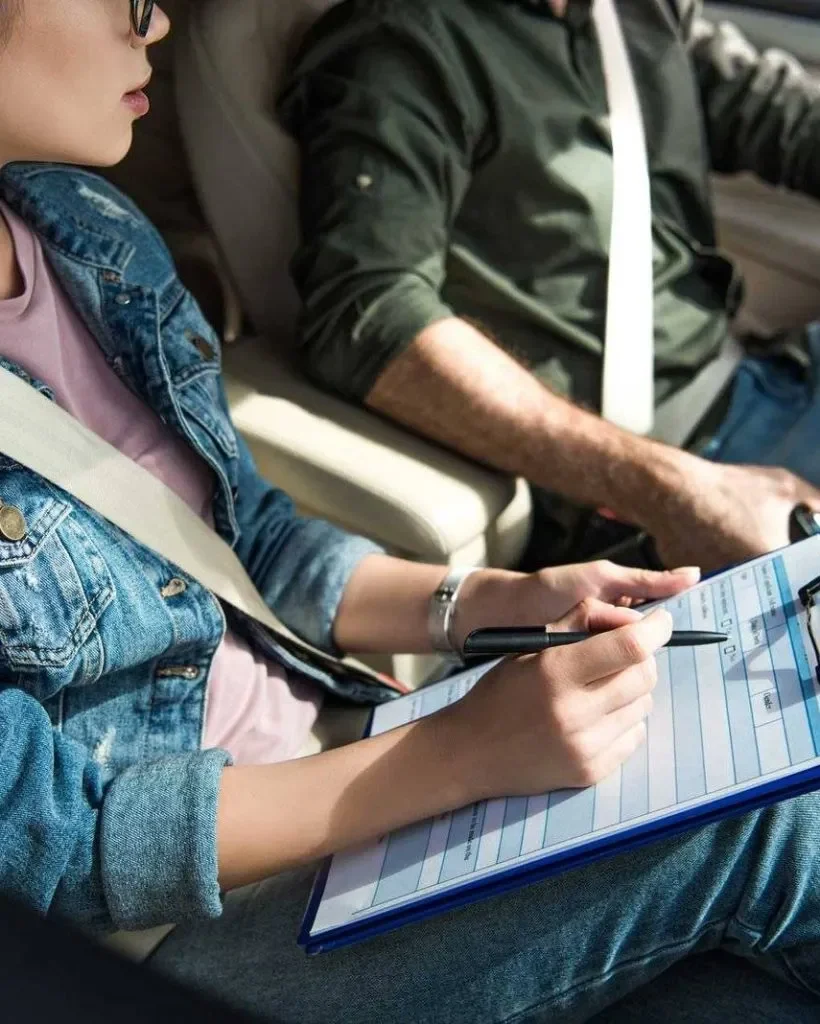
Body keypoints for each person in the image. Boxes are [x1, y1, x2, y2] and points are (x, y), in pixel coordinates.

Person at [1, 3, 820, 1023]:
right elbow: (55, 840)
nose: (157, 20)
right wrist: (458, 754)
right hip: (145, 938)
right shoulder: (407, 42)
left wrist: (488, 600)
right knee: (760, 815)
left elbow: (250, 538)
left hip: (339, 746)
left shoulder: (86, 231)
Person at [278, 0, 820, 573]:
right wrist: (668, 489)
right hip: (668, 463)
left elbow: (775, 113)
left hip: (765, 372)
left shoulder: (630, 13)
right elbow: (368, 315)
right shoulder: (404, 43)